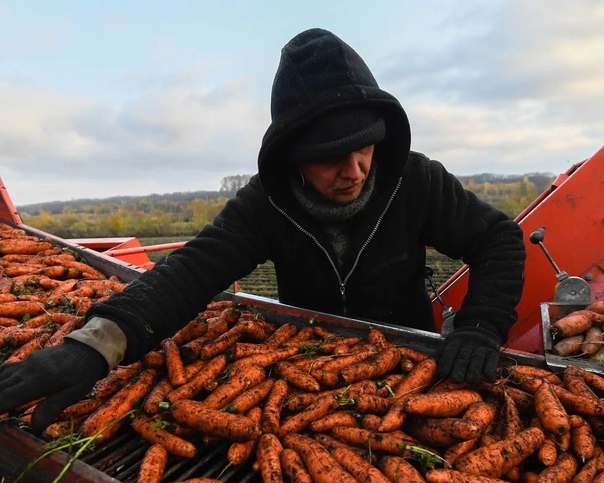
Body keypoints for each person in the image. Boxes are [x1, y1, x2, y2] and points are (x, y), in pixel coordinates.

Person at [0, 28, 526, 434]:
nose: (355, 170)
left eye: (364, 146)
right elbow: (192, 270)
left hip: (410, 368)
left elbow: (498, 239)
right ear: (295, 156)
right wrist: (96, 345)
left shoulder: (417, 180)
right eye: (329, 157)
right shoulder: (266, 203)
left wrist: (481, 325)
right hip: (311, 377)